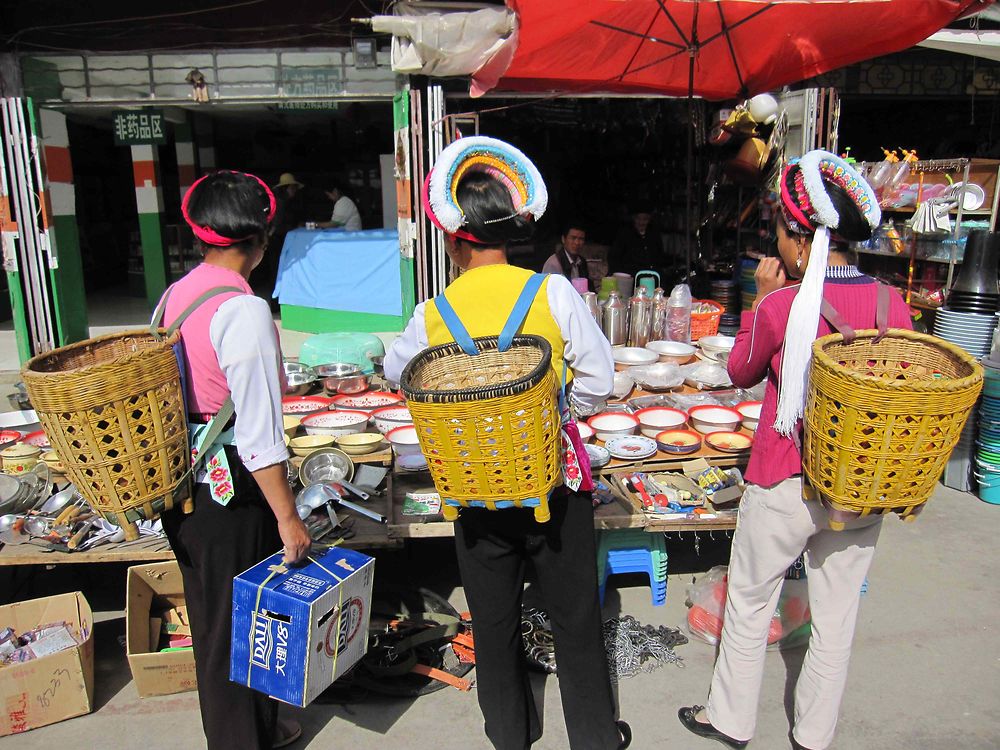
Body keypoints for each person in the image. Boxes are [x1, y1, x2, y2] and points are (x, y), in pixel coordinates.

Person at [384, 136, 630, 750]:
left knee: (493, 625)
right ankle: (596, 738)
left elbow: (397, 373)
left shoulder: (434, 312)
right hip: (553, 483)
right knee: (575, 620)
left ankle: (511, 735)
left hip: (473, 488)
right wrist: (556, 405)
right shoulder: (553, 294)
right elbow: (600, 381)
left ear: (455, 238)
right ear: (511, 233)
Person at [678, 151, 913, 750]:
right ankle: (813, 735)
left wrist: (757, 300)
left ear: (802, 242)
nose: (773, 246)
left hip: (785, 477)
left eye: (779, 233)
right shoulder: (894, 305)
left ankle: (730, 721)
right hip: (860, 482)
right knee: (836, 618)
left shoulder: (781, 306)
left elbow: (738, 369)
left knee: (751, 602)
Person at [158, 171, 311, 750]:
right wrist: (288, 518)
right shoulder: (242, 311)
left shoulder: (176, 295)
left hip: (185, 487)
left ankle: (261, 727)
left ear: (200, 236)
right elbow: (259, 433)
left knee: (217, 620)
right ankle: (238, 739)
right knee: (237, 629)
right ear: (262, 241)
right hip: (232, 492)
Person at [609, 204, 664, 279]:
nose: (641, 222)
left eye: (645, 219)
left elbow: (659, 256)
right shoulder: (625, 234)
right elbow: (614, 257)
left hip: (652, 276)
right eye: (638, 219)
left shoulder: (654, 235)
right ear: (634, 219)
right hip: (631, 277)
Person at [542, 221, 590, 289]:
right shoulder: (553, 264)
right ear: (563, 239)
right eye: (573, 238)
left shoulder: (582, 262)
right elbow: (548, 292)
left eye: (581, 239)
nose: (577, 243)